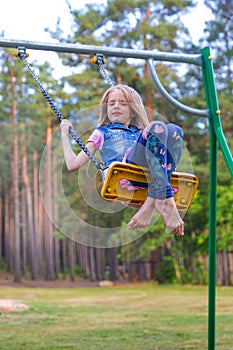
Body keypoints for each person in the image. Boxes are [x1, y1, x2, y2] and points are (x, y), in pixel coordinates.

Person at [60, 84, 184, 236]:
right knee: (157, 127)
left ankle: (153, 200)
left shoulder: (141, 133)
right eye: (111, 103)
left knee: (175, 131)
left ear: (133, 111)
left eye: (123, 103)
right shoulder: (102, 132)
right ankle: (166, 200)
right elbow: (73, 164)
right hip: (127, 177)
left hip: (152, 179)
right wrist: (64, 135)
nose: (116, 106)